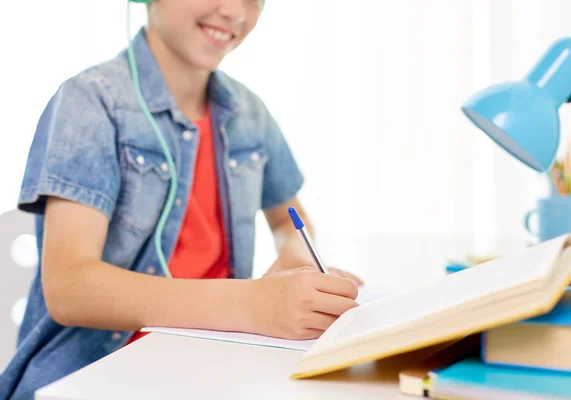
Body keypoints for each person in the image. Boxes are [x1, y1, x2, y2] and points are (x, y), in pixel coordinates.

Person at [0, 0, 363, 397]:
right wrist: (250, 303)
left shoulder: (249, 112)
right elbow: (69, 289)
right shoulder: (90, 101)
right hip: (95, 373)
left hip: (207, 361)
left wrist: (295, 249)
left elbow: (288, 219)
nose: (235, 12)